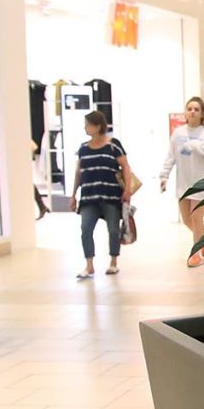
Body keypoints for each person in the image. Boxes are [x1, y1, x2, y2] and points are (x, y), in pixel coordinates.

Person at [158, 96, 204, 267]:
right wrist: (164, 176)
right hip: (183, 184)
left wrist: (198, 146)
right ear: (185, 113)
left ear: (202, 113)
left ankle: (195, 254)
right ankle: (203, 240)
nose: (193, 112)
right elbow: (171, 156)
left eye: (196, 109)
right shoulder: (178, 133)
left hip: (202, 184)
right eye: (190, 109)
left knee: (196, 218)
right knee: (187, 219)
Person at [72, 109, 133, 280]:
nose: (85, 128)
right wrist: (73, 194)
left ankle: (113, 262)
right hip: (89, 195)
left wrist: (127, 189)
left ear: (98, 126)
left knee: (113, 229)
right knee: (85, 228)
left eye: (88, 125)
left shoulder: (113, 145)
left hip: (110, 195)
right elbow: (79, 172)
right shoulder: (83, 149)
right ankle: (89, 265)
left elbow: (125, 168)